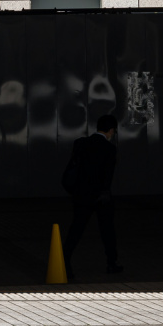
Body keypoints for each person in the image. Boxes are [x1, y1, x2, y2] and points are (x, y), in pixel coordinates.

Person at [62, 114, 121, 279]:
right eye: (113, 132)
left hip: (81, 195)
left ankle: (64, 260)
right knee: (107, 231)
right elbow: (108, 176)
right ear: (110, 130)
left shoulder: (80, 143)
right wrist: (104, 192)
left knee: (76, 229)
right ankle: (111, 263)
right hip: (101, 197)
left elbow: (75, 168)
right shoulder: (110, 149)